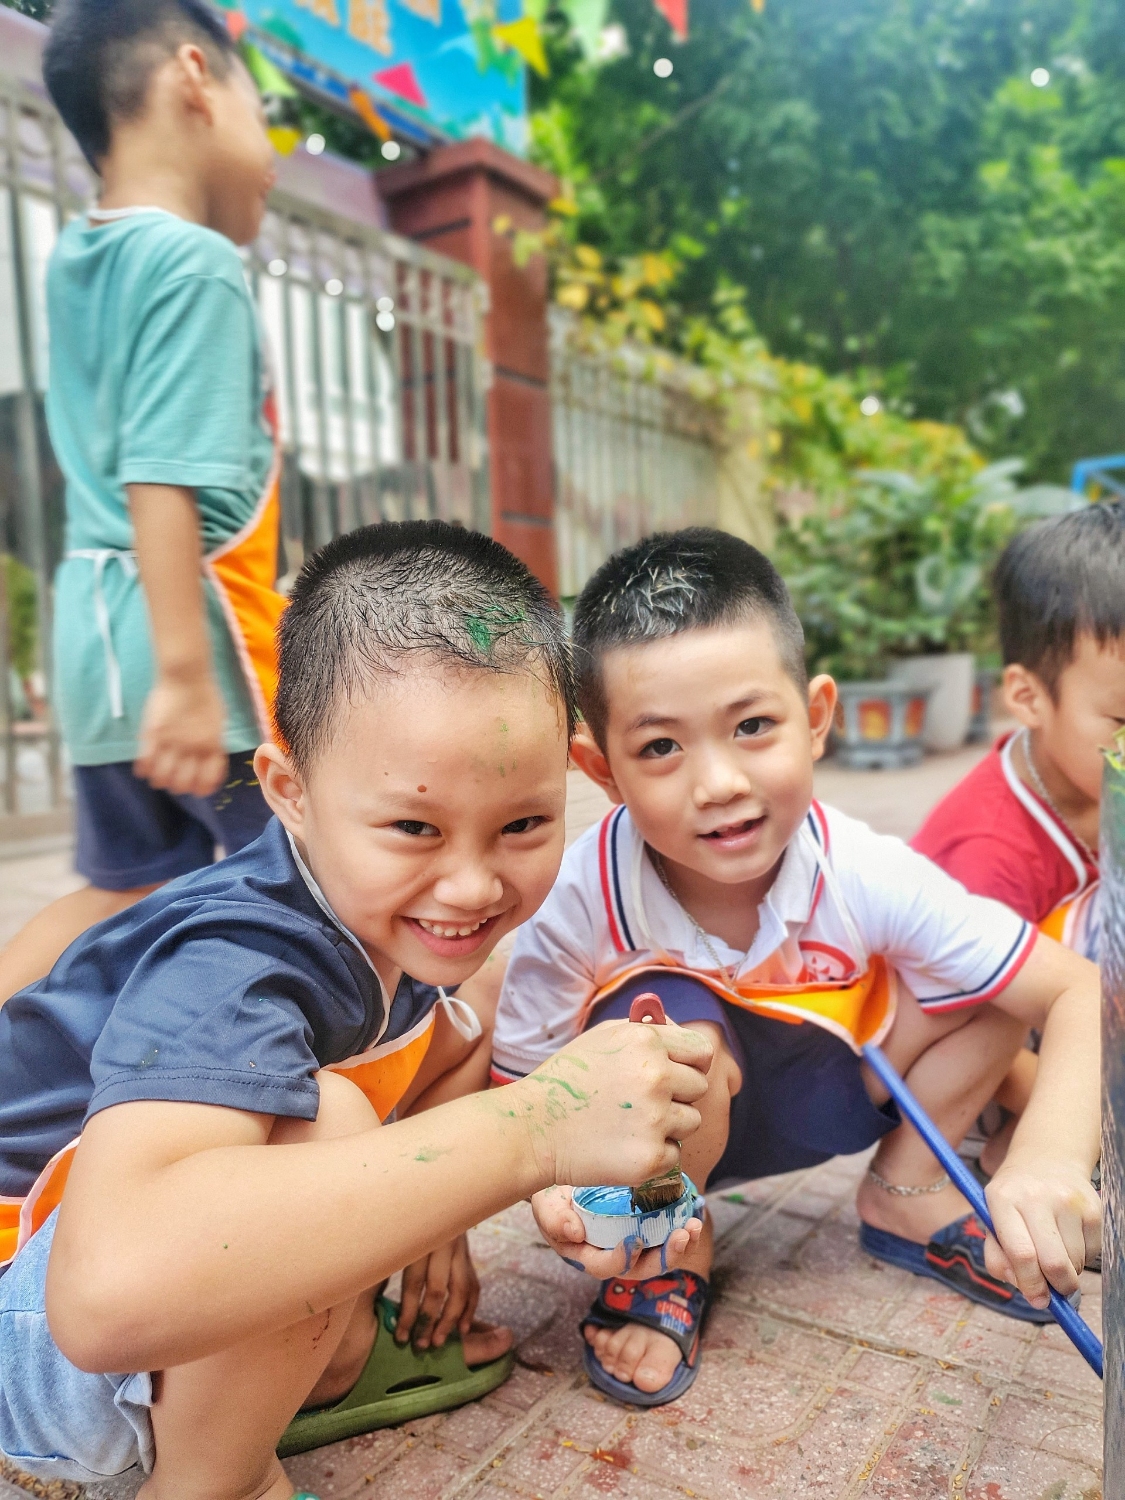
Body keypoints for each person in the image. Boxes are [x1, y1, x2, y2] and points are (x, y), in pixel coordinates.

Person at [0, 519, 714, 1494]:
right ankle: (215, 1484)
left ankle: (308, 1368)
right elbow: (104, 1297)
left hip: (88, 1309)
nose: (471, 886)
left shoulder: (390, 918)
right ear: (289, 790)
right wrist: (531, 1133)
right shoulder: (238, 959)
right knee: (325, 1118)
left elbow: (447, 1054)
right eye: (414, 825)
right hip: (32, 1335)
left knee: (449, 1032)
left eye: (523, 823)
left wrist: (446, 1218)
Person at [492, 527, 1101, 1408]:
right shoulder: (578, 894)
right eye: (660, 747)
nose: (718, 782)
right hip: (656, 1138)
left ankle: (907, 1192)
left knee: (989, 988)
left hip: (830, 1087)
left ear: (815, 718)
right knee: (668, 1024)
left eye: (752, 727)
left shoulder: (863, 868)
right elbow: (519, 1085)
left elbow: (1073, 987)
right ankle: (666, 1254)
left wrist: (1046, 1158)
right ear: (601, 770)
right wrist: (544, 1194)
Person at [0, 0, 286, 1001]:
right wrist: (185, 677)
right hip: (189, 639)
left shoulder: (84, 257)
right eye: (265, 112)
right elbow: (160, 473)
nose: (274, 154)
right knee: (317, 865)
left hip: (96, 644)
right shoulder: (196, 263)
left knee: (125, 886)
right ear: (194, 77)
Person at [912, 500, 1125, 1171]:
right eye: (1122, 721)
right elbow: (973, 1039)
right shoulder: (989, 856)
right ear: (1029, 697)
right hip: (984, 1057)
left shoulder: (1094, 777)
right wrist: (1087, 1114)